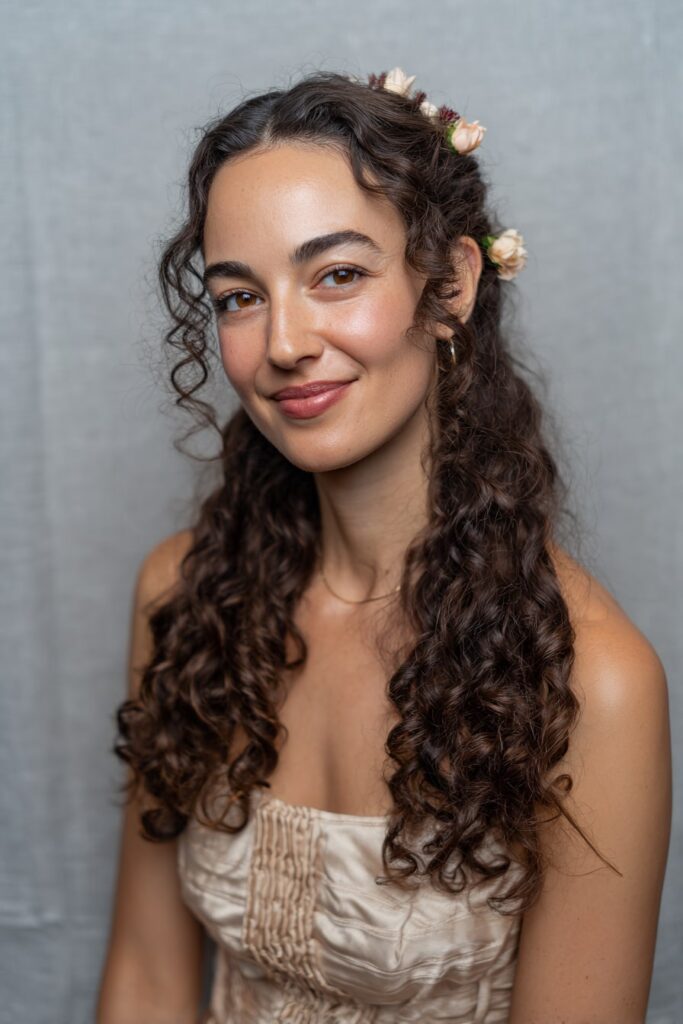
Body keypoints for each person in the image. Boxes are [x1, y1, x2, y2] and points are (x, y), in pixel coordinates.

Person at [96, 67, 672, 1024]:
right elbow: (146, 979)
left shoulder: (594, 683)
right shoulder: (181, 597)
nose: (283, 341)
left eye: (337, 275)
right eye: (238, 296)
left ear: (447, 288)